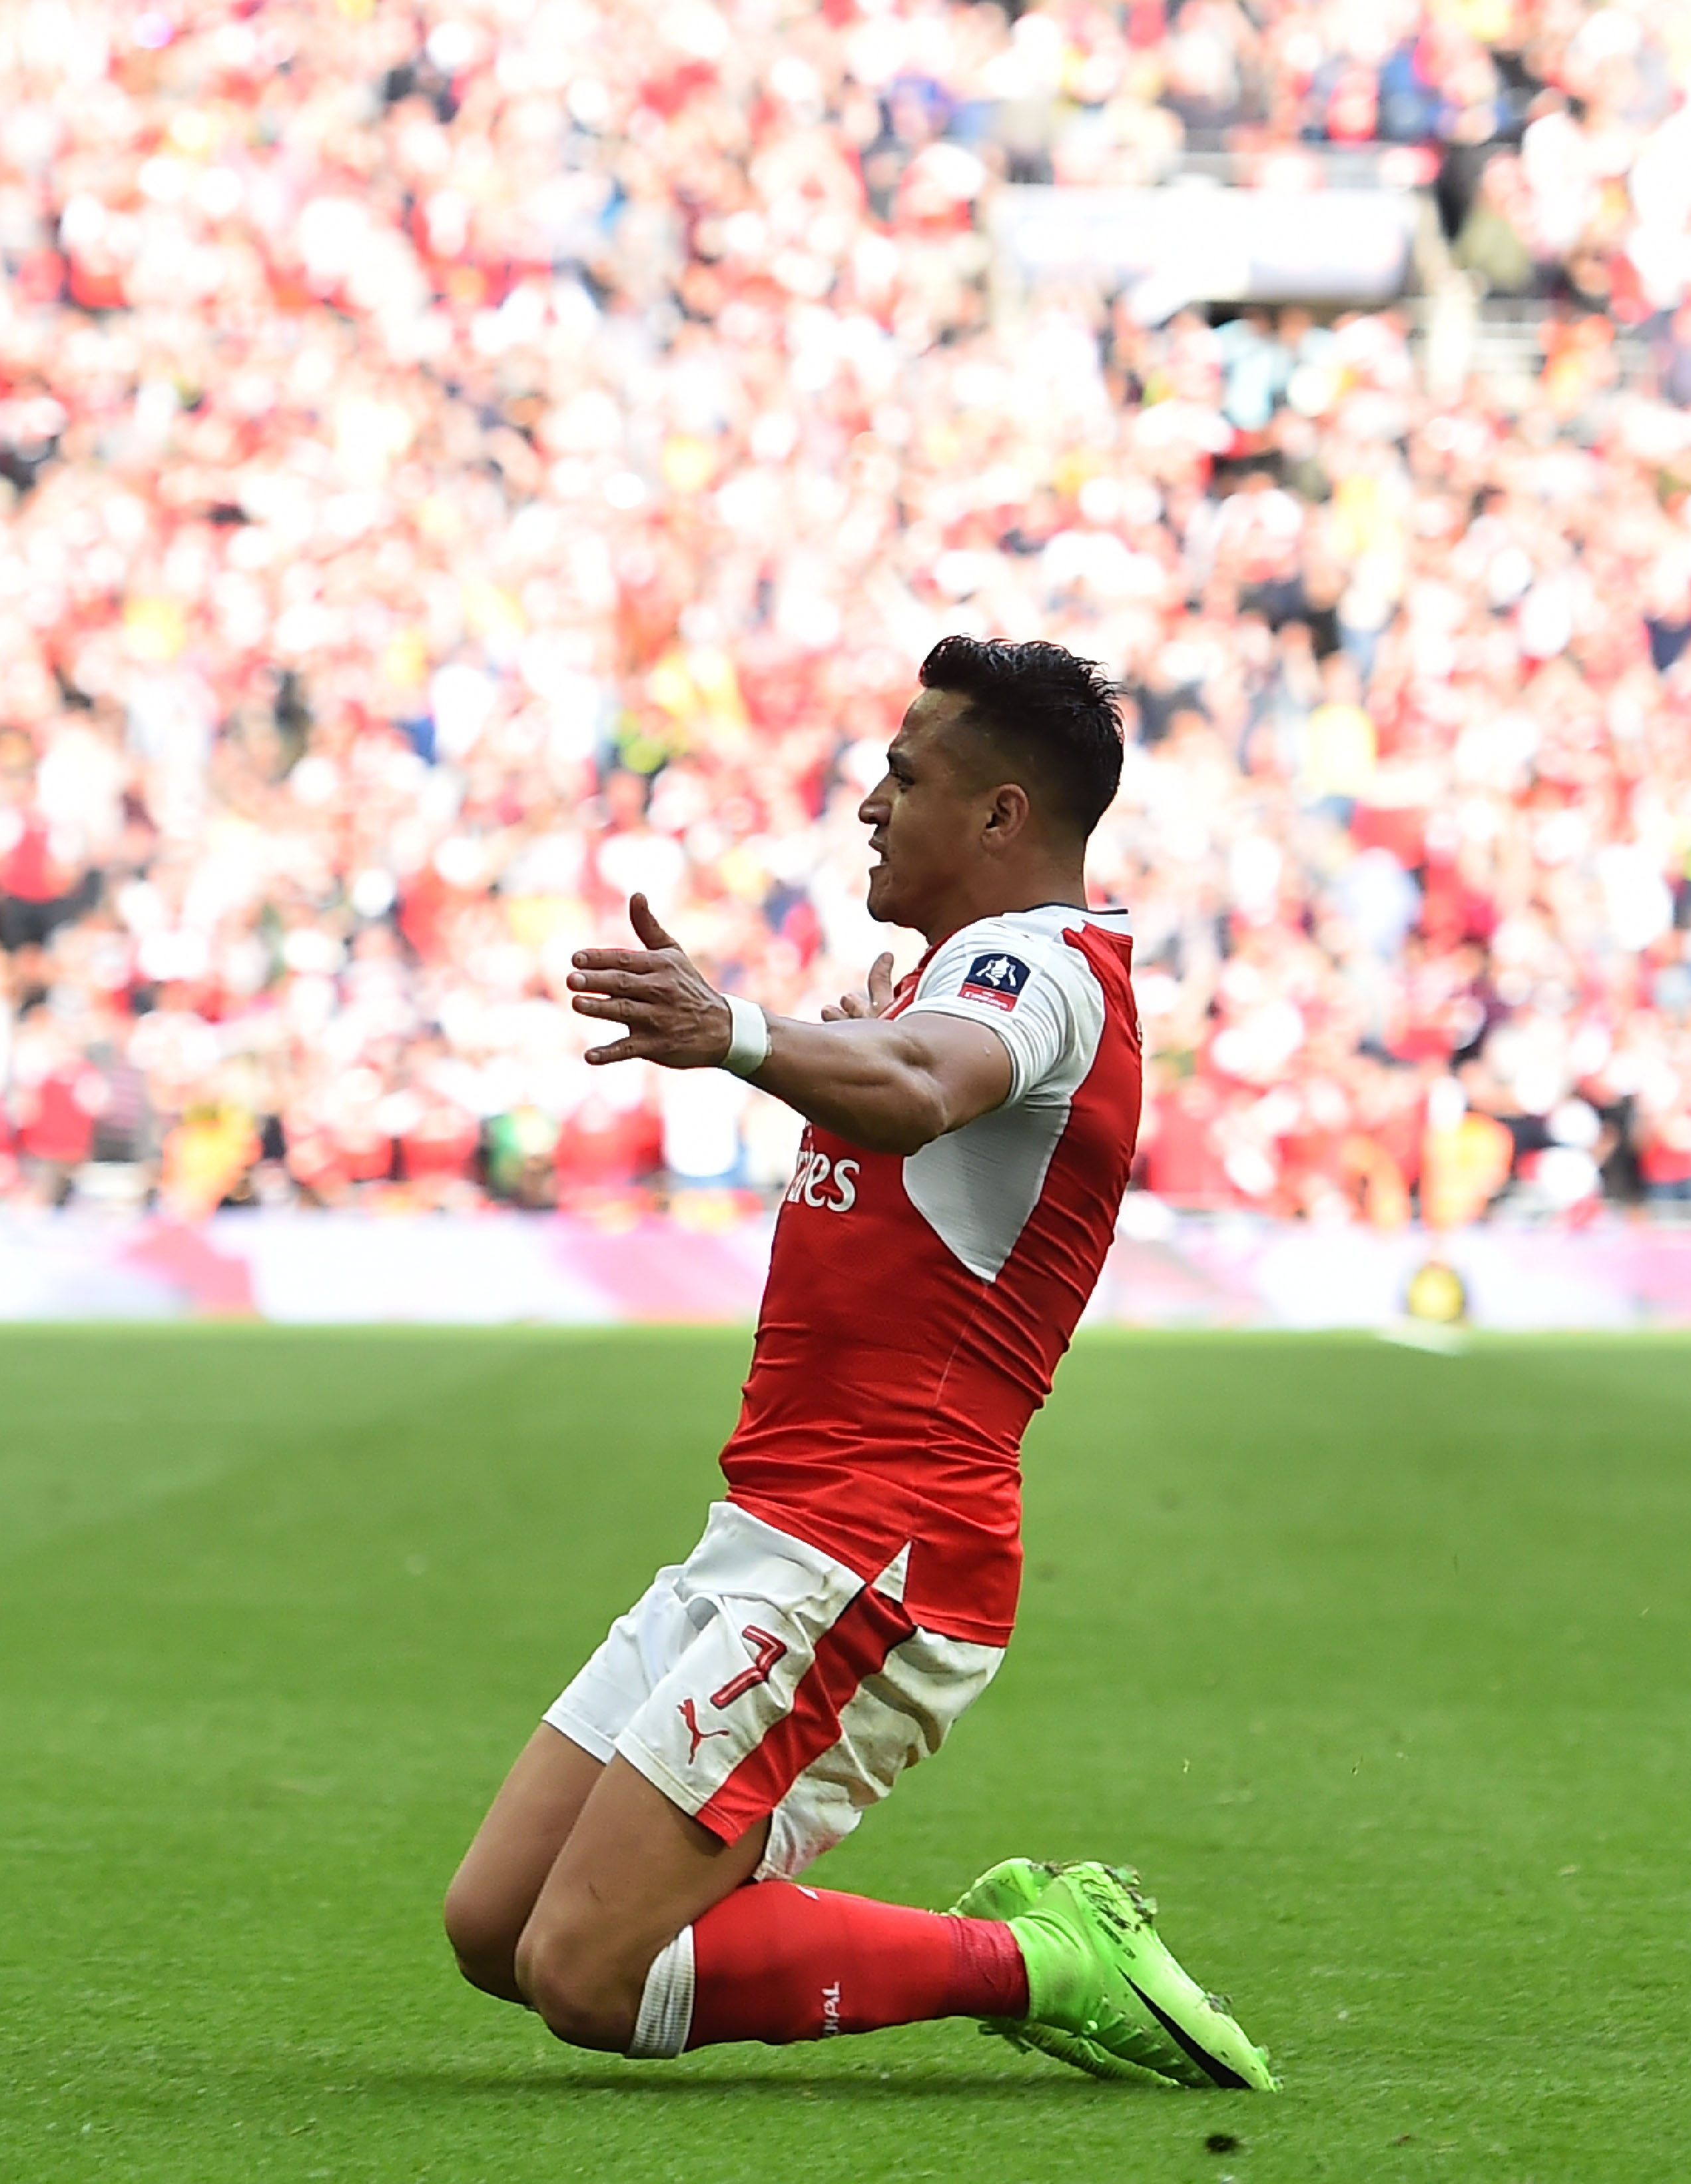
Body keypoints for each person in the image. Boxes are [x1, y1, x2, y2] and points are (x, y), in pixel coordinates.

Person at [443, 637, 1277, 2091]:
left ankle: (1042, 1958)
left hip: (880, 1545)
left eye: (905, 776)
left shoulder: (1038, 968)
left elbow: (916, 1088)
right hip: (773, 1528)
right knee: (493, 1922)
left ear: (1001, 816)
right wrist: (844, 1035)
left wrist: (741, 1035)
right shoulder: (967, 976)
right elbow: (908, 1087)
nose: (869, 807)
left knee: (584, 1971)